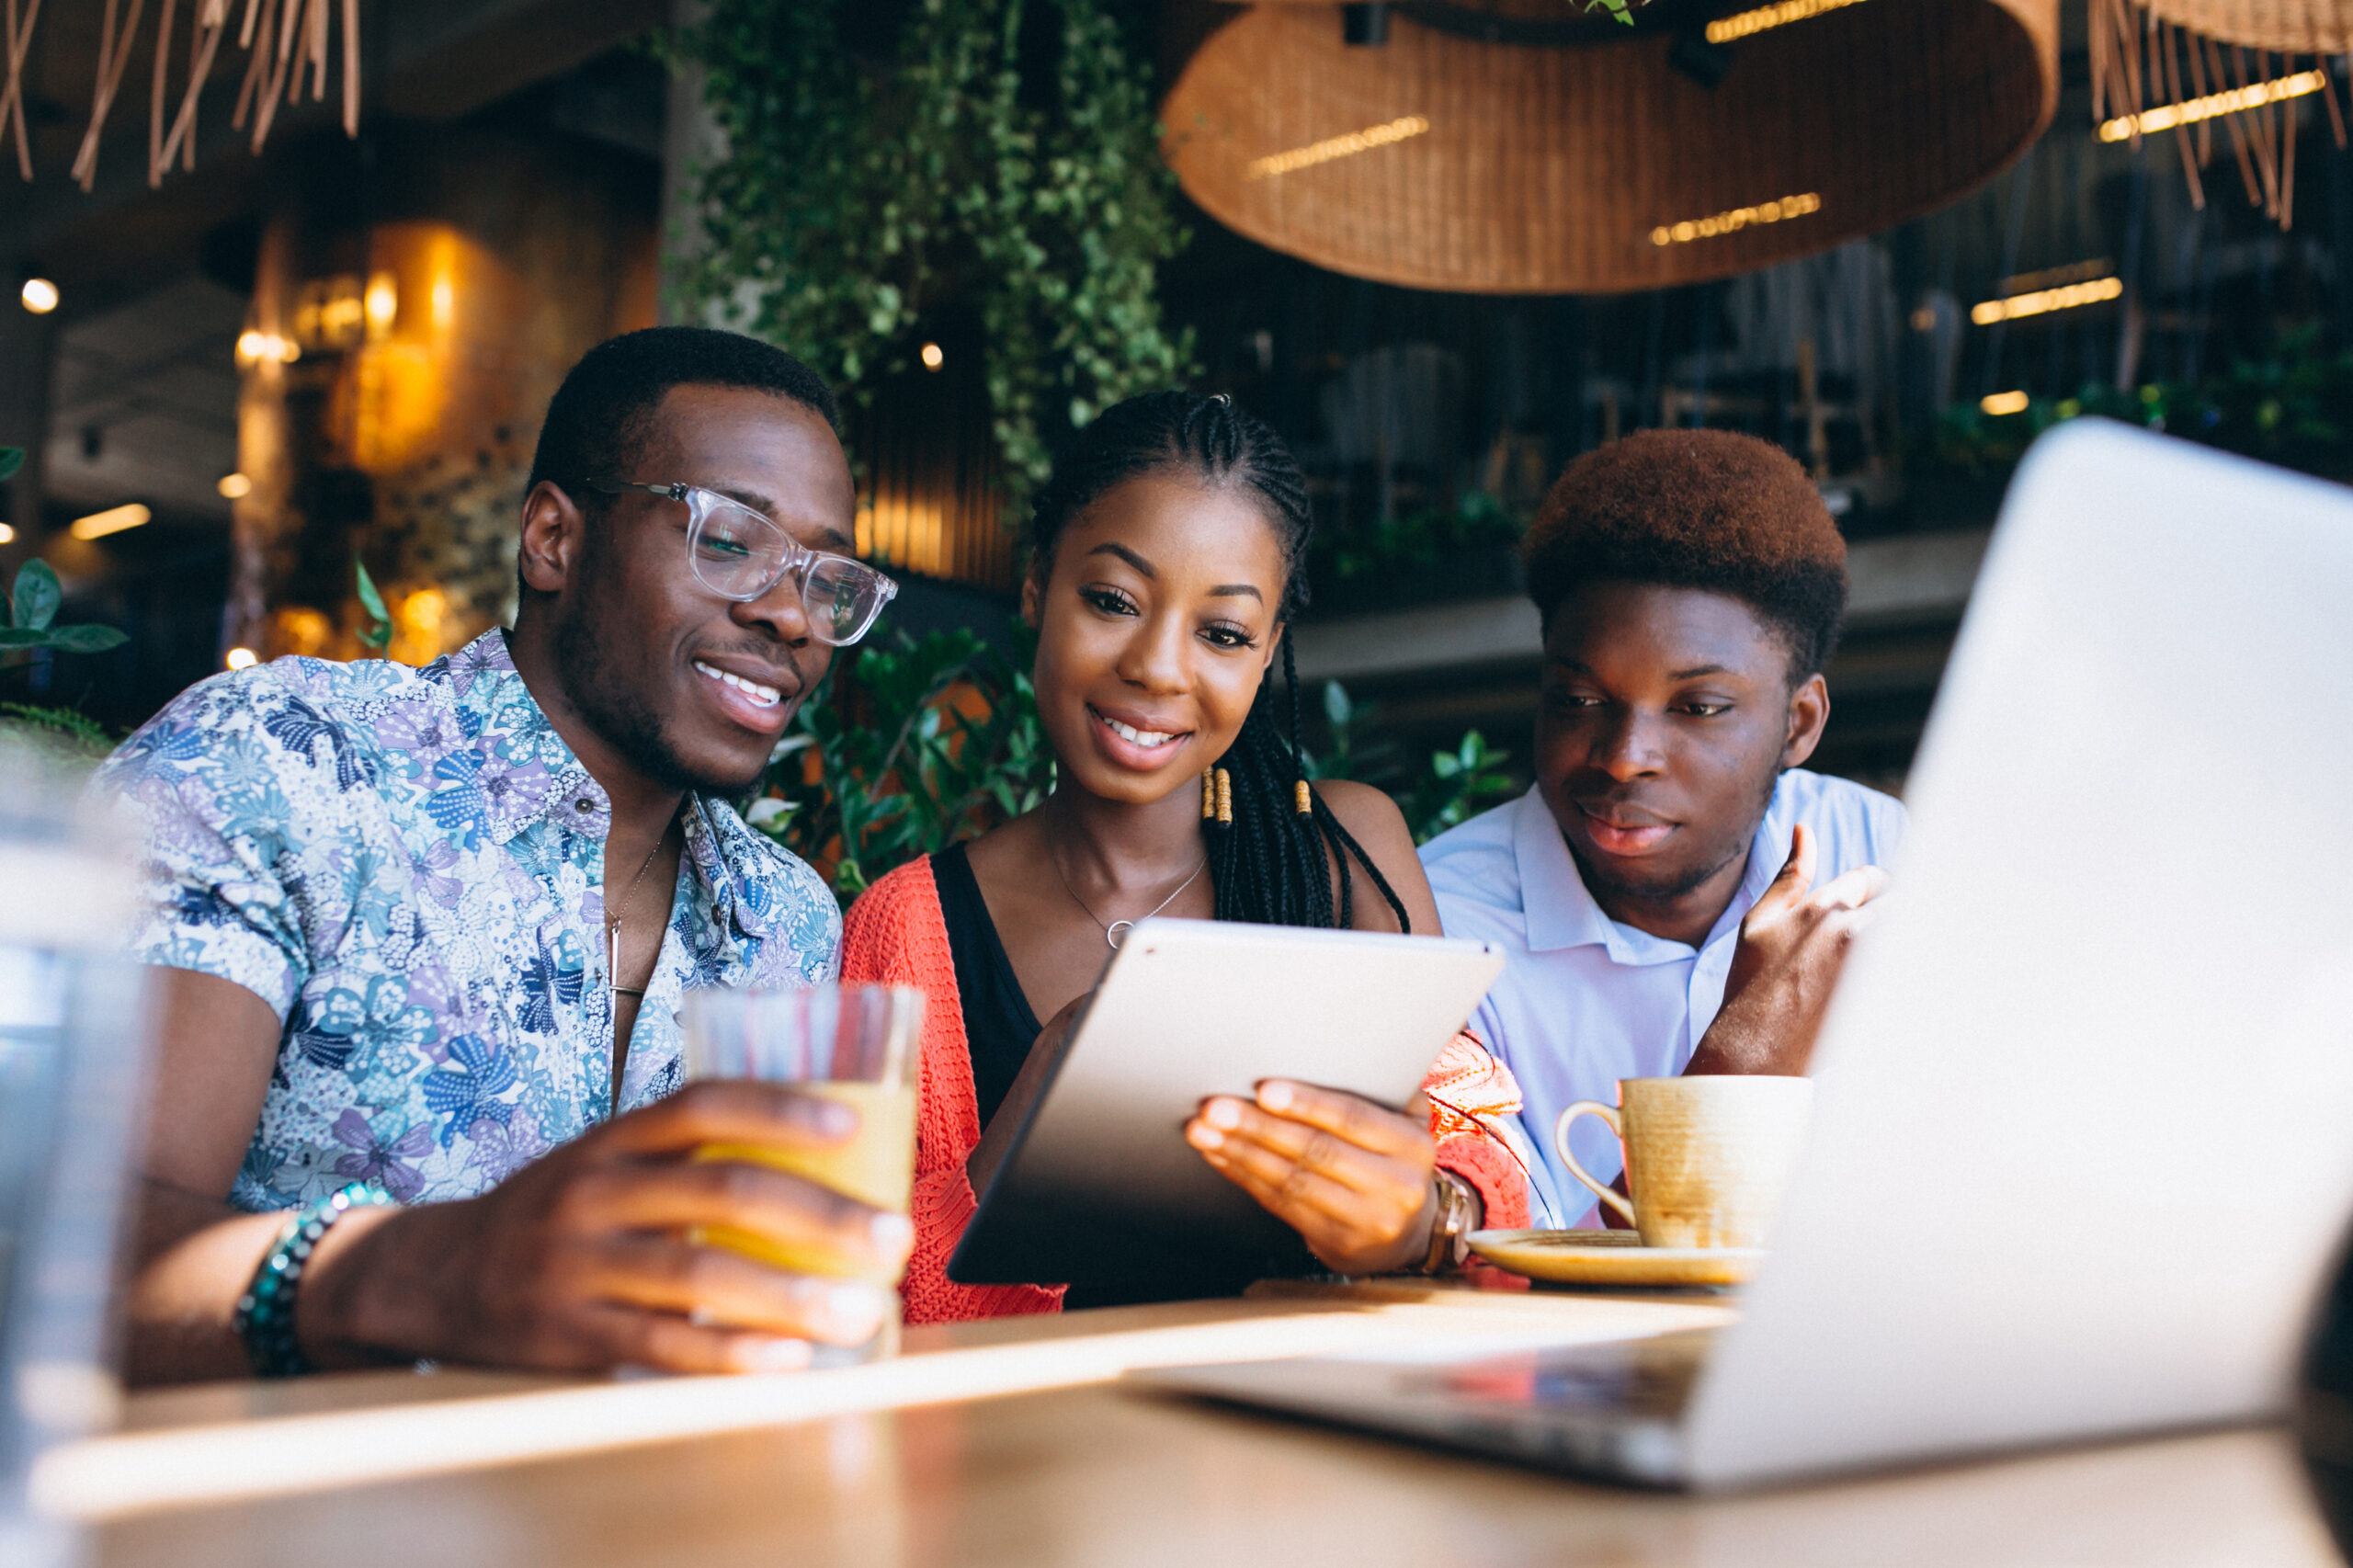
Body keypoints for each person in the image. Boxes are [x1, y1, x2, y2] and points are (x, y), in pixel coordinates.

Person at [100, 326, 916, 1382]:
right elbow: (64, 1247)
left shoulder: (788, 916)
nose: (791, 615)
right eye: (728, 541)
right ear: (552, 538)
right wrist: (421, 1272)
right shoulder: (282, 763)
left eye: (826, 578)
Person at [839, 392, 1529, 1324]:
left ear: (1268, 651)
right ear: (1038, 586)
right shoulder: (910, 924)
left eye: (1223, 633)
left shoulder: (1342, 850)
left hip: (1295, 1448)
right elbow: (846, 1294)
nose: (1160, 668)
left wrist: (1420, 1220)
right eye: (1114, 601)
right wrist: (1010, 1155)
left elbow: (1493, 1185)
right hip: (1012, 1458)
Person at [1418, 428, 1901, 1225]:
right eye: (1579, 700)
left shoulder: (1880, 853)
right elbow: (1504, 1280)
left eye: (1698, 708)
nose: (1623, 758)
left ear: (1799, 723)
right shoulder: (1443, 926)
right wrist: (1742, 1061)